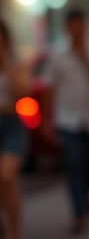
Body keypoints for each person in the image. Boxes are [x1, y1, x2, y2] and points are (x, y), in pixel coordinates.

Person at [40, 9, 89, 236]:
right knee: (73, 163)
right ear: (67, 28)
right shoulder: (57, 53)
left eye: (80, 26)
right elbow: (49, 87)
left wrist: (85, 58)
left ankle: (86, 194)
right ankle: (78, 211)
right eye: (73, 26)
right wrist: (47, 120)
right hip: (67, 118)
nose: (77, 31)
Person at [0, 19, 31, 239]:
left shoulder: (17, 62)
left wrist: (5, 61)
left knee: (7, 177)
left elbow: (23, 92)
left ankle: (15, 233)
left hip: (10, 123)